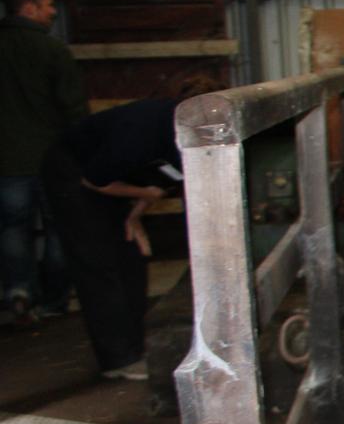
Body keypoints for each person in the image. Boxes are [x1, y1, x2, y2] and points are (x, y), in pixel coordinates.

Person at [41, 76, 222, 381]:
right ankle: (118, 359)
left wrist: (134, 217)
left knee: (131, 259)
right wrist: (143, 196)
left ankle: (136, 346)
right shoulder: (142, 130)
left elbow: (161, 179)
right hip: (73, 172)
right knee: (98, 263)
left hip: (113, 180)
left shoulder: (192, 139)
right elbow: (95, 181)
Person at [0, 0, 85, 321]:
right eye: (49, 5)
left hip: (6, 162)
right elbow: (73, 108)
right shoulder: (53, 51)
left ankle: (19, 291)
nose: (52, 12)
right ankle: (54, 300)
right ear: (30, 7)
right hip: (53, 158)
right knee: (59, 229)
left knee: (11, 228)